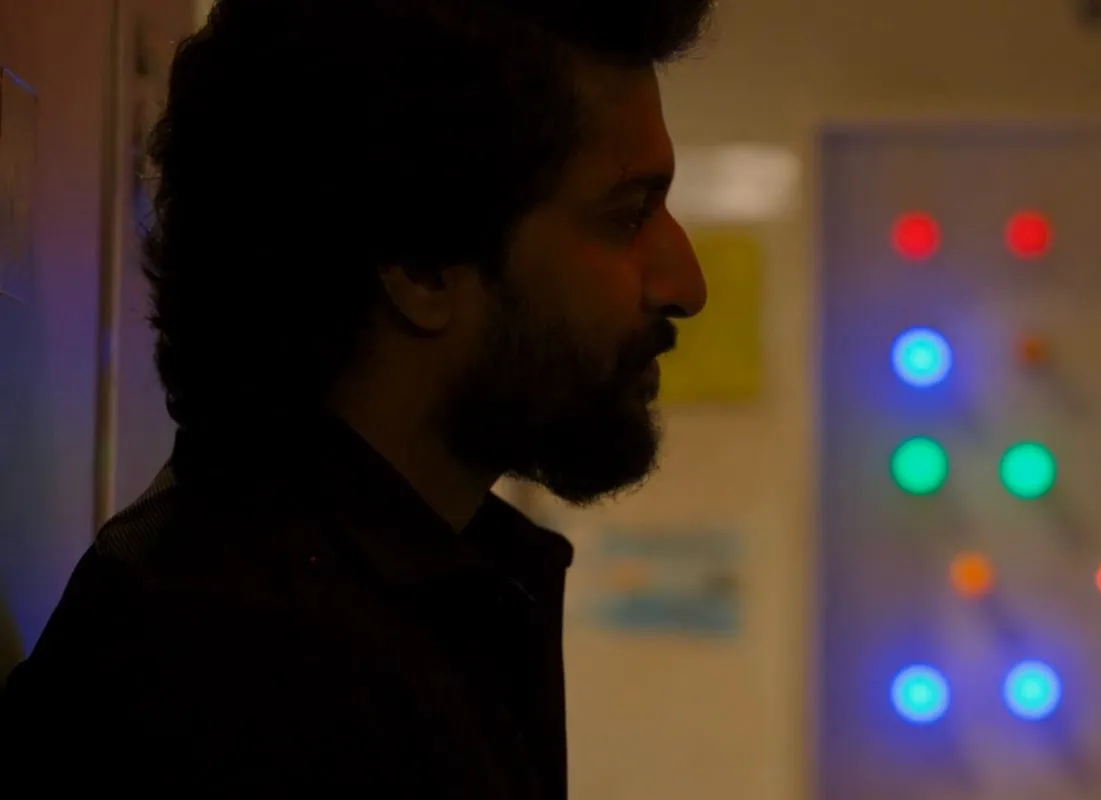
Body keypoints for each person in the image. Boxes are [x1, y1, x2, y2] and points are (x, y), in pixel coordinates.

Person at [0, 0, 712, 795]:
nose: (687, 284)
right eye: (628, 215)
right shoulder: (234, 676)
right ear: (421, 266)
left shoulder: (389, 604)